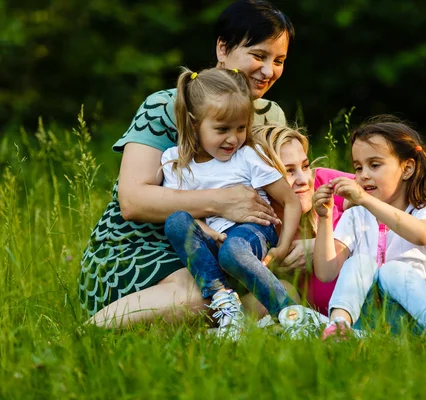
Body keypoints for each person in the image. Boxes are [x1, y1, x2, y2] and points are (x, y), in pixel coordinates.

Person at [78, 0, 294, 328]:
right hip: (143, 246)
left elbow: (284, 196)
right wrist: (222, 202)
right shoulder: (167, 105)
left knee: (278, 296)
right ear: (223, 48)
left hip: (228, 249)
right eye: (259, 56)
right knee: (199, 298)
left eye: (278, 61)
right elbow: (132, 201)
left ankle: (206, 332)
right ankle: (87, 333)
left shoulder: (271, 116)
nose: (269, 71)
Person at [161, 67, 316, 339]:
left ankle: (292, 314)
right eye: (222, 129)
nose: (233, 138)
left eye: (241, 128)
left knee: (232, 251)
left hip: (252, 230)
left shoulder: (247, 156)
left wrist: (281, 247)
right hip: (213, 237)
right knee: (175, 221)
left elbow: (289, 201)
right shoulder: (174, 161)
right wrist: (205, 230)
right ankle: (225, 304)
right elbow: (179, 209)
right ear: (194, 123)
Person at [312, 117, 426, 351]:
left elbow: (423, 235)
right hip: (367, 321)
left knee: (394, 270)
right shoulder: (355, 216)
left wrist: (364, 199)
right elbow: (326, 272)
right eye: (358, 167)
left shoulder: (425, 212)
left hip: (416, 321)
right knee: (359, 262)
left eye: (375, 165)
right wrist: (325, 218)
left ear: (407, 168)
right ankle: (339, 326)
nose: (363, 175)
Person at [252, 125, 354, 316]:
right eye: (289, 171)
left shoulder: (325, 184)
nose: (304, 179)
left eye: (305, 166)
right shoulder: (259, 223)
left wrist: (322, 245)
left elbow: (392, 200)